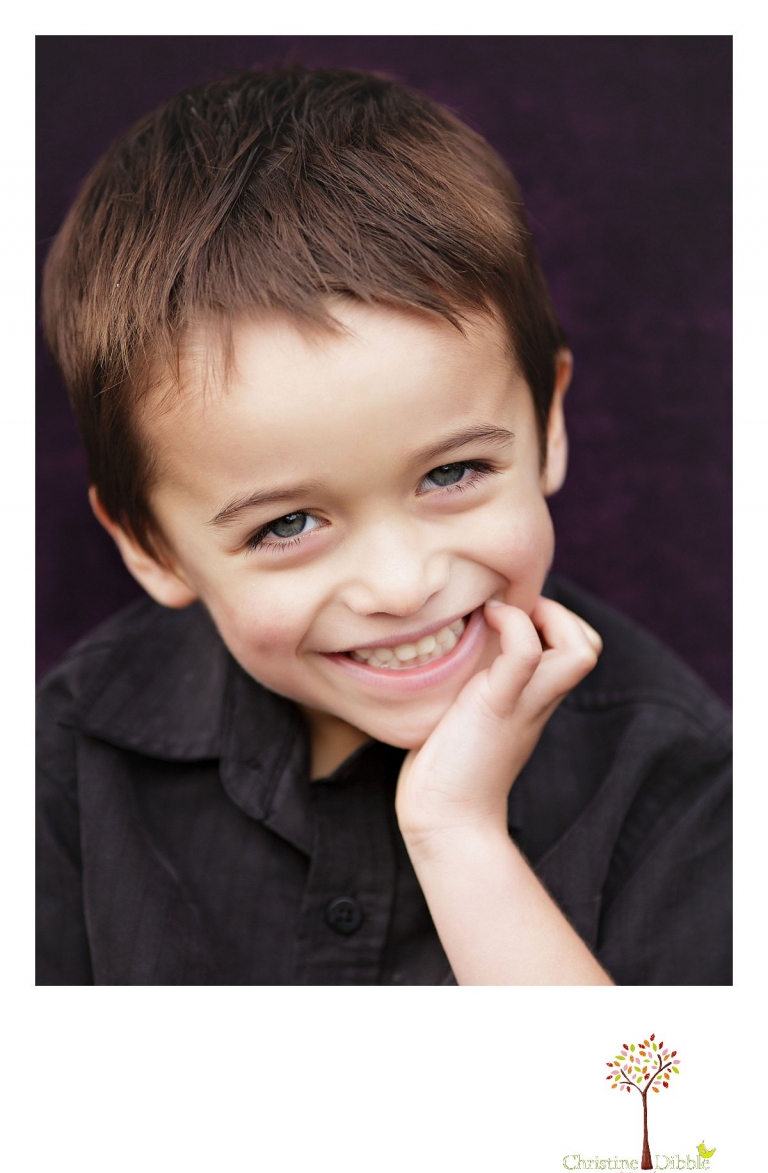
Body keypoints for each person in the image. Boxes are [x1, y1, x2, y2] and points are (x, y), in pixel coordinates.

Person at [36, 65, 731, 985]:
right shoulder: (69, 759)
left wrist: (459, 834)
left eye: (452, 472)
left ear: (549, 424)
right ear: (150, 547)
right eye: (288, 523)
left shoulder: (676, 776)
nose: (403, 585)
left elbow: (636, 1090)